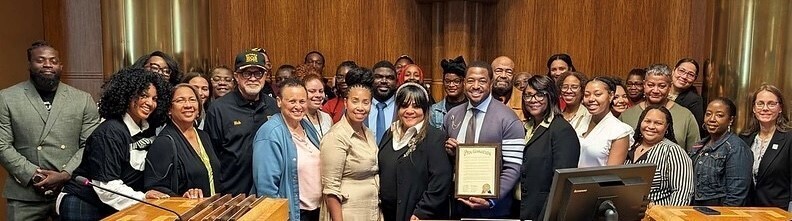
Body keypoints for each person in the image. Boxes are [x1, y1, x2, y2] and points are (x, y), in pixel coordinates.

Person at [0, 41, 100, 220]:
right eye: (40, 60)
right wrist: (33, 174)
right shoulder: (7, 98)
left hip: (69, 192)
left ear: (60, 65)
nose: (47, 64)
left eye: (53, 61)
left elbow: (91, 144)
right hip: (25, 195)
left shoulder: (82, 99)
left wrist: (64, 174)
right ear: (29, 64)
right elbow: (2, 145)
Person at [58, 68, 172, 220]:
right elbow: (107, 188)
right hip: (83, 203)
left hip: (117, 204)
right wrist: (144, 198)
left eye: (155, 99)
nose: (150, 103)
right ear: (127, 95)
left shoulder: (147, 127)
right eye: (143, 96)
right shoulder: (110, 132)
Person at [443, 61, 525, 218]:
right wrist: (449, 152)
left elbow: (513, 167)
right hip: (457, 206)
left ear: (491, 83)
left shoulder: (508, 119)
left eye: (482, 81)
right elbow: (443, 162)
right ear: (464, 82)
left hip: (494, 210)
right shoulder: (452, 116)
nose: (475, 86)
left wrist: (491, 199)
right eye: (471, 80)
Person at [204, 50, 279, 195]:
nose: (253, 78)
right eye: (246, 73)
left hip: (269, 192)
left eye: (258, 73)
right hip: (231, 194)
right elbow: (211, 157)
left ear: (265, 77)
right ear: (236, 77)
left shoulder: (274, 106)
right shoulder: (219, 109)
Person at [378, 83, 452, 221]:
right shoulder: (389, 134)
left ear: (425, 109)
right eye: (404, 106)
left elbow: (440, 181)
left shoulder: (435, 137)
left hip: (416, 216)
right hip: (388, 214)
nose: (409, 111)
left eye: (416, 106)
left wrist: (423, 211)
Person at [253, 78, 322, 221]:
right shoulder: (270, 133)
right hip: (294, 214)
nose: (298, 106)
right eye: (292, 101)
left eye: (302, 101)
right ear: (279, 102)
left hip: (316, 210)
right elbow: (267, 189)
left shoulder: (306, 125)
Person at [320, 67, 381, 220]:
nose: (360, 107)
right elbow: (331, 190)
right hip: (348, 214)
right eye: (355, 101)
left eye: (365, 102)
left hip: (372, 211)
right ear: (346, 103)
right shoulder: (336, 137)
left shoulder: (368, 133)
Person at [518, 75, 580, 220]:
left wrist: (546, 215)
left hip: (543, 212)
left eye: (540, 95)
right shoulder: (526, 127)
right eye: (528, 95)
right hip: (521, 208)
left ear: (550, 96)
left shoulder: (561, 130)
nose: (533, 100)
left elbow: (561, 183)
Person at [145, 84, 220, 199]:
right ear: (169, 109)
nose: (188, 105)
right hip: (185, 213)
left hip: (210, 210)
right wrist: (182, 198)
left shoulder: (204, 136)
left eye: (192, 100)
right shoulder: (164, 142)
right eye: (180, 101)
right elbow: (156, 189)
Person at [619, 64, 700, 150]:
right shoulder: (626, 116)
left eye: (662, 86)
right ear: (644, 85)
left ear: (670, 87)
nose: (655, 90)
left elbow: (694, 153)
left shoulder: (685, 116)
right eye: (651, 85)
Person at [624, 106, 694, 206]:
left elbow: (682, 192)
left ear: (666, 127)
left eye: (658, 123)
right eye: (647, 121)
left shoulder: (673, 151)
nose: (651, 126)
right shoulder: (630, 147)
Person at [690, 98, 752, 206]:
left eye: (719, 115)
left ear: (731, 120)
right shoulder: (699, 145)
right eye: (708, 114)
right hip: (696, 208)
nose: (712, 119)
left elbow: (736, 196)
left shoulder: (736, 148)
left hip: (719, 211)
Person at [740, 84, 792, 209]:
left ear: (780, 108)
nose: (765, 108)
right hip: (748, 210)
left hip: (779, 212)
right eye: (760, 103)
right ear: (753, 108)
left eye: (771, 104)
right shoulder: (745, 138)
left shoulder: (789, 138)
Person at [576, 77, 632, 167]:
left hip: (596, 180)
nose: (591, 99)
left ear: (611, 96)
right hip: (571, 179)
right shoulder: (579, 120)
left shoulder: (620, 131)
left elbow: (611, 174)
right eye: (587, 95)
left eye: (597, 94)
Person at [669, 58, 705, 138]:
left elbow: (696, 130)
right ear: (674, 70)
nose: (684, 76)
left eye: (691, 75)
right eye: (681, 71)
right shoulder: (660, 90)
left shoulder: (694, 100)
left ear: (694, 79)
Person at [429, 56, 467, 129]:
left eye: (456, 81)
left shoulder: (471, 107)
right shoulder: (435, 110)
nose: (451, 85)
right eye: (447, 81)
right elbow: (432, 137)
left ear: (464, 82)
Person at [369, 60, 399, 144]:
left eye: (390, 78)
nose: (384, 81)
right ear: (371, 80)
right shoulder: (360, 106)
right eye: (378, 77)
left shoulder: (403, 107)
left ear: (396, 82)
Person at [490, 56, 523, 121]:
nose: (503, 76)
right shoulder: (481, 97)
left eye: (509, 72)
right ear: (490, 73)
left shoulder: (523, 99)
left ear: (514, 75)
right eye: (498, 71)